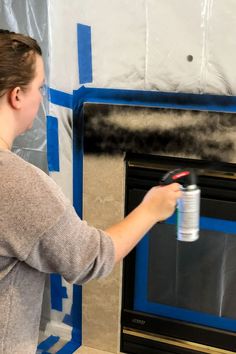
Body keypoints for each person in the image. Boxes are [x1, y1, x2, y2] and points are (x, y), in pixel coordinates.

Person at [0, 30, 182, 354]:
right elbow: (90, 259)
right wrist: (152, 209)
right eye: (39, 87)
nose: (41, 97)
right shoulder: (19, 186)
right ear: (16, 95)